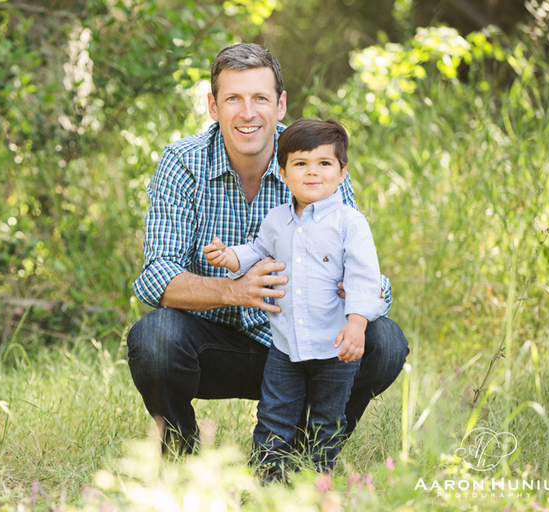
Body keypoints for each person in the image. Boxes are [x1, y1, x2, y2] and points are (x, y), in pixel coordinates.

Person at [127, 42, 409, 454]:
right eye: (233, 99)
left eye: (259, 98)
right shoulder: (182, 161)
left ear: (280, 105)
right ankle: (181, 451)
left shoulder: (314, 161)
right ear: (212, 106)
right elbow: (157, 278)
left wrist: (357, 294)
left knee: (385, 342)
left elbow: (365, 271)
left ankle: (307, 452)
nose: (247, 112)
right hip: (213, 342)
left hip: (303, 346)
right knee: (154, 337)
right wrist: (234, 290)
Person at [204, 118, 384, 478]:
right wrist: (230, 258)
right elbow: (257, 250)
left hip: (335, 347)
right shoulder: (276, 220)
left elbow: (366, 278)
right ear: (283, 174)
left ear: (342, 173)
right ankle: (266, 481)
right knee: (275, 414)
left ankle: (316, 481)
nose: (313, 173)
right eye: (301, 164)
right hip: (285, 346)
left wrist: (356, 324)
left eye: (324, 164)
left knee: (327, 418)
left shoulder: (350, 223)